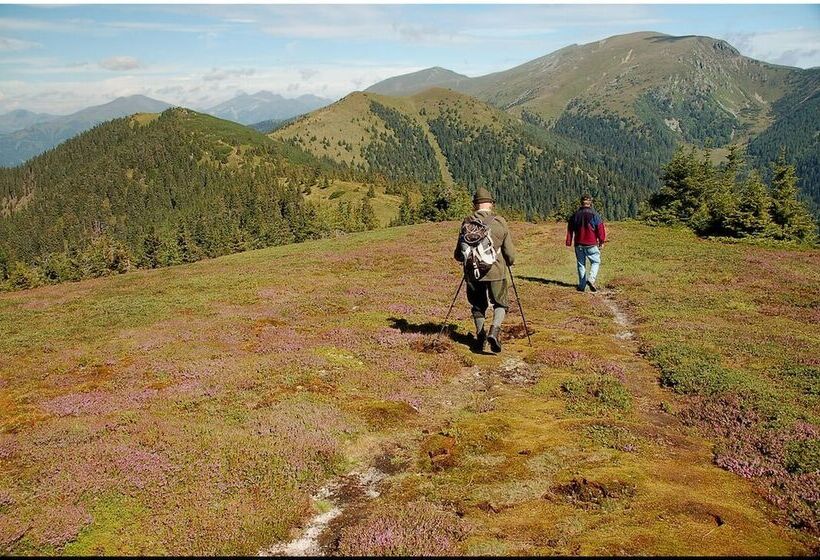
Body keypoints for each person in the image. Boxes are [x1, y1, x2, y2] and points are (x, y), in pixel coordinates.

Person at [454, 187, 516, 353]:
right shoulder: (500, 222)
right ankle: (494, 331)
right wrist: (510, 262)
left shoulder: (467, 222)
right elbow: (509, 253)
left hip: (473, 273)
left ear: (475, 205)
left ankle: (480, 336)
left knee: (477, 306)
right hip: (496, 271)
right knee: (500, 303)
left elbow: (458, 254)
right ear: (491, 204)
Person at [566, 193, 606, 292]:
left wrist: (569, 241)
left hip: (578, 243)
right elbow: (600, 229)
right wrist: (601, 241)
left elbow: (570, 229)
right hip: (591, 243)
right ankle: (591, 279)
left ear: (581, 203)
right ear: (590, 203)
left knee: (581, 264)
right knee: (595, 262)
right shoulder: (595, 215)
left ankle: (582, 286)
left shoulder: (575, 215)